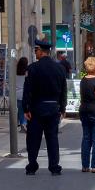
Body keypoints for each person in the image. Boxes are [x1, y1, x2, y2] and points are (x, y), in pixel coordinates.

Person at [23, 40, 67, 175]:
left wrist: (26, 108)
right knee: (52, 139)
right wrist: (63, 108)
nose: (36, 53)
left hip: (37, 108)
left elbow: (28, 90)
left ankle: (32, 166)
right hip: (53, 107)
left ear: (40, 51)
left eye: (36, 50)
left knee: (33, 138)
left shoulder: (32, 68)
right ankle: (54, 167)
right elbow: (63, 89)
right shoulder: (60, 68)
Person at [16, 57, 29, 133]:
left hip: (18, 93)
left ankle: (21, 127)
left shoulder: (16, 72)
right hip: (25, 93)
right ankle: (24, 123)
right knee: (27, 110)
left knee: (20, 111)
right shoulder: (27, 72)